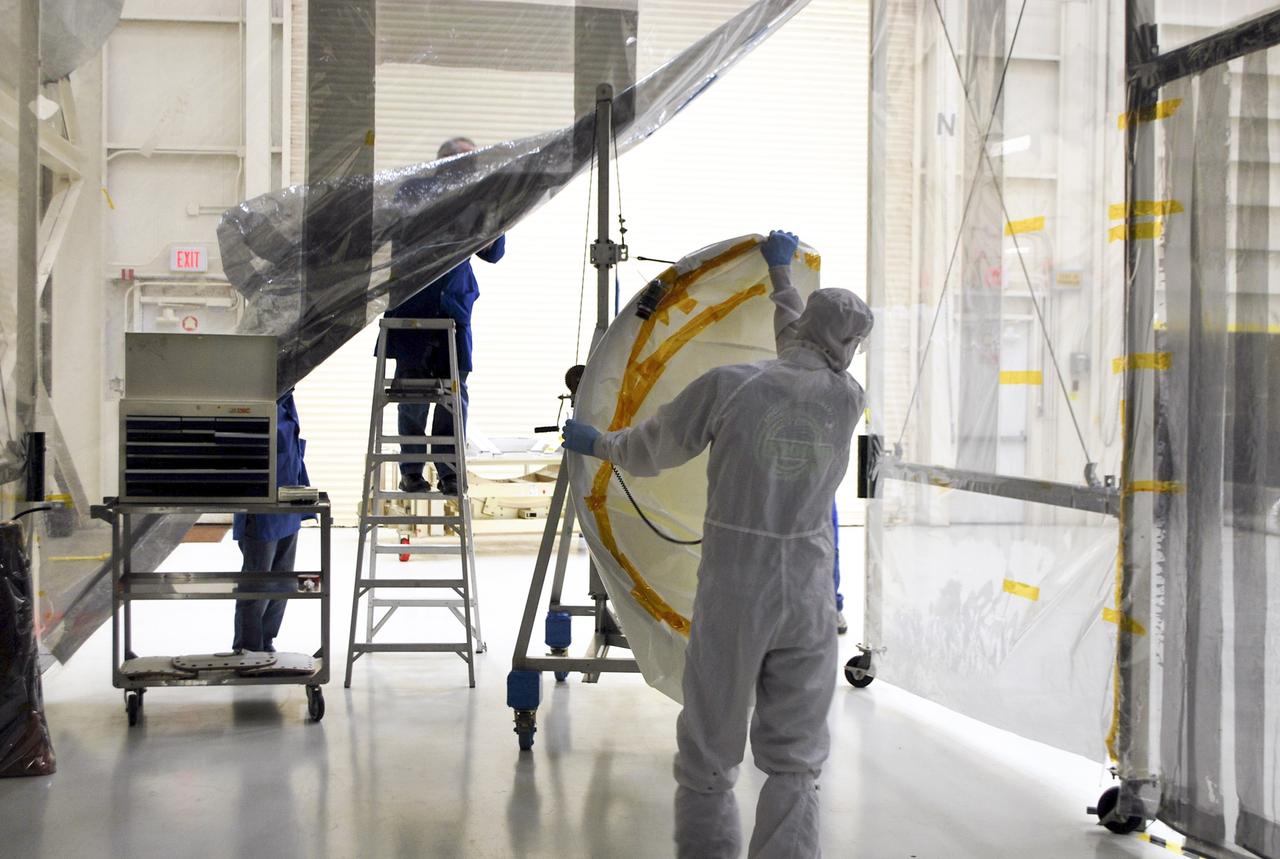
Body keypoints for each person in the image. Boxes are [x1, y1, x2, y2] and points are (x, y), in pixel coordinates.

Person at [563, 230, 873, 858]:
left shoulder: (733, 384)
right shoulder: (849, 399)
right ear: (850, 345)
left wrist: (598, 443)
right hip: (809, 593)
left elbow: (652, 449)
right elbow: (803, 351)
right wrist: (782, 279)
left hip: (738, 587)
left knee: (710, 747)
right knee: (796, 755)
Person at [384, 136, 506, 496]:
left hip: (453, 309)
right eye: (461, 162)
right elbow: (402, 233)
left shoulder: (478, 200)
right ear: (441, 163)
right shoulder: (414, 192)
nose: (468, 170)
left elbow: (493, 253)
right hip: (413, 308)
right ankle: (411, 471)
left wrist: (489, 219)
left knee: (454, 395)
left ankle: (449, 471)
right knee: (412, 393)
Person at [232, 391, 311, 653]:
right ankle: (247, 647)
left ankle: (266, 641)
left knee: (283, 582)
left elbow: (292, 450)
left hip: (287, 506)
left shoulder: (287, 402)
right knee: (257, 582)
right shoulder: (255, 402)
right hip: (261, 509)